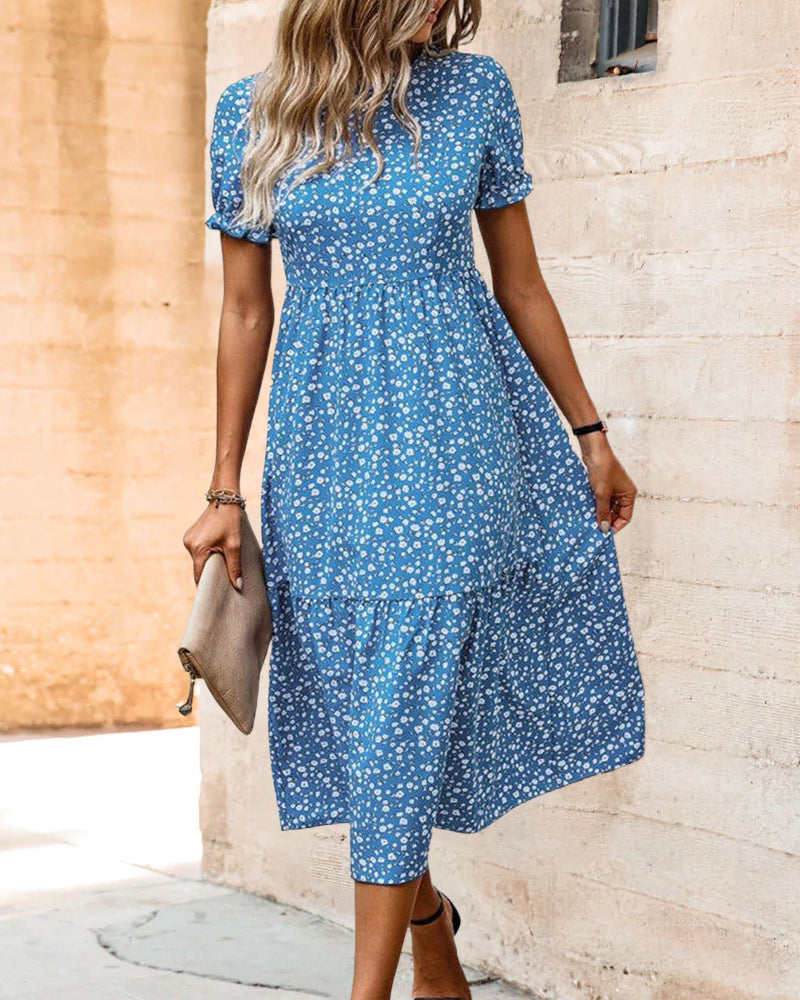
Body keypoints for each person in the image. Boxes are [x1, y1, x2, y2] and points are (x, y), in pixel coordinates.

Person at [182, 1, 646, 997]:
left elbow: (518, 281)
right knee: (368, 699)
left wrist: (589, 435)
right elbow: (245, 306)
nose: (446, 9)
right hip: (320, 445)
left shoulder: (475, 94)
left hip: (454, 432)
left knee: (402, 677)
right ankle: (427, 919)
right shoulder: (252, 114)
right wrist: (224, 484)